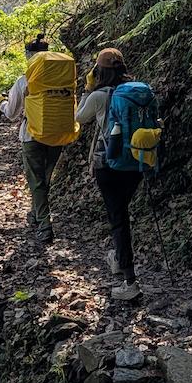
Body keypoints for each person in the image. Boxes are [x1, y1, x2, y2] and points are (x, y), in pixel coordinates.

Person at [76, 47, 148, 304]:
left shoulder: (98, 95)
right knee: (122, 212)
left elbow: (78, 118)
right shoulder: (137, 91)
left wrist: (86, 89)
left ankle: (129, 281)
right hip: (137, 162)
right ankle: (119, 258)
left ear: (99, 71)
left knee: (118, 219)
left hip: (108, 165)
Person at [0, 35, 67, 245]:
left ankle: (45, 226)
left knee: (36, 181)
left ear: (30, 57)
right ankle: (35, 214)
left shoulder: (24, 80)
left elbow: (11, 112)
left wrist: (2, 103)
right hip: (57, 133)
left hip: (31, 135)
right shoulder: (62, 78)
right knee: (44, 178)